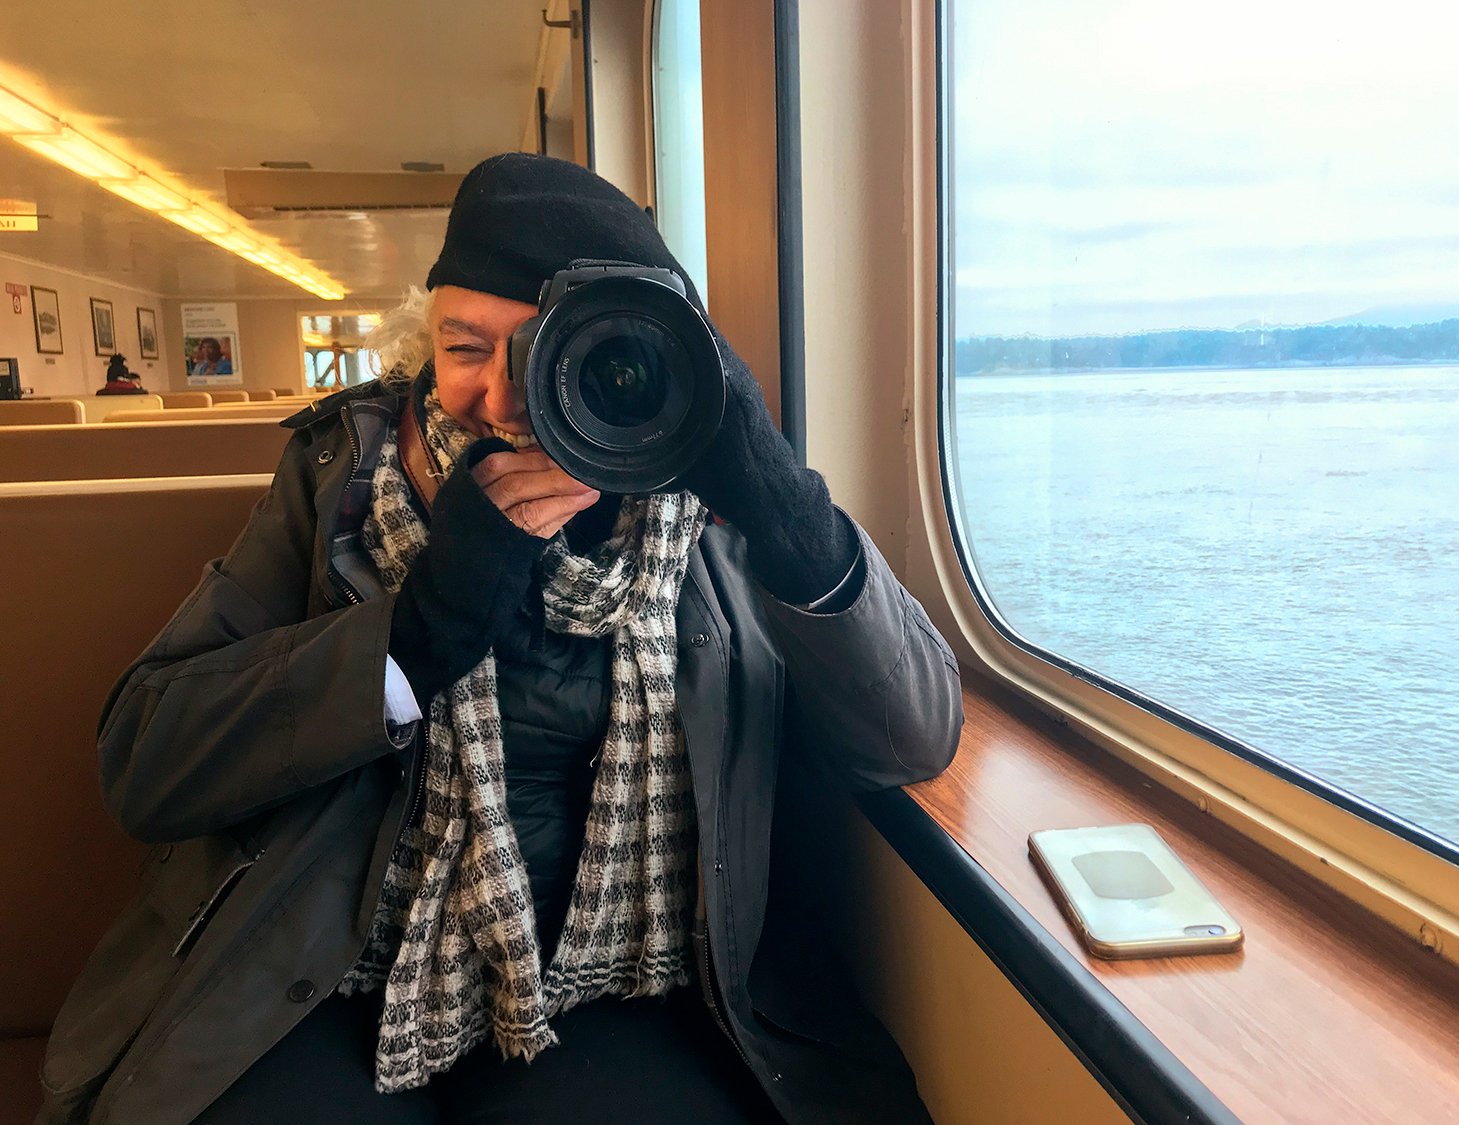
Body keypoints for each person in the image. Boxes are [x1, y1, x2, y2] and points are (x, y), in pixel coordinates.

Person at [38, 154, 963, 1125]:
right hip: (326, 965)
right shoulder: (338, 483)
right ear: (421, 347)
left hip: (622, 976)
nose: (504, 400)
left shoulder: (711, 512)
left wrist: (785, 513)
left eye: (556, 356)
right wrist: (413, 638)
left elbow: (912, 737)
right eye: (464, 347)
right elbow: (147, 760)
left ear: (647, 363)